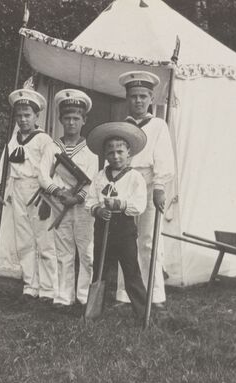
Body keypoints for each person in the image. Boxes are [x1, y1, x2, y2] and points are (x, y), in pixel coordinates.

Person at [115, 71, 176, 308]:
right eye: (133, 96)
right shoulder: (122, 126)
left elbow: (163, 158)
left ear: (151, 98)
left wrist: (159, 187)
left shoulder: (158, 125)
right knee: (125, 240)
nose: (138, 101)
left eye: (143, 96)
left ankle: (154, 293)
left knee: (149, 240)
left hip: (150, 184)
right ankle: (124, 293)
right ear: (127, 99)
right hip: (126, 183)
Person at [0, 89, 57, 302]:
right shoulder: (12, 141)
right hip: (17, 190)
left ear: (37, 116)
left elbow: (52, 169)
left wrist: (48, 196)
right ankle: (31, 285)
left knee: (44, 240)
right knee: (24, 241)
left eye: (27, 115)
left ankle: (48, 288)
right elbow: (3, 167)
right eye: (19, 115)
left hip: (38, 192)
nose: (23, 119)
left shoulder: (44, 140)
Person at [39, 89, 98, 308]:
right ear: (61, 120)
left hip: (82, 207)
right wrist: (58, 191)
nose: (71, 122)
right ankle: (64, 296)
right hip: (59, 202)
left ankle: (83, 297)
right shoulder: (52, 147)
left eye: (76, 118)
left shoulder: (92, 150)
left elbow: (94, 179)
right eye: (67, 118)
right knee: (63, 251)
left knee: (86, 252)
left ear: (84, 120)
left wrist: (78, 197)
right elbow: (42, 175)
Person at [85, 122, 148, 319]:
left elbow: (139, 205)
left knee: (131, 272)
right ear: (105, 154)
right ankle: (93, 312)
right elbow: (90, 201)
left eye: (120, 151)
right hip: (103, 228)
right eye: (110, 152)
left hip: (124, 230)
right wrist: (98, 210)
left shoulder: (135, 177)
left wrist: (119, 204)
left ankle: (143, 314)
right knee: (100, 271)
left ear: (129, 152)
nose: (116, 156)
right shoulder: (99, 177)